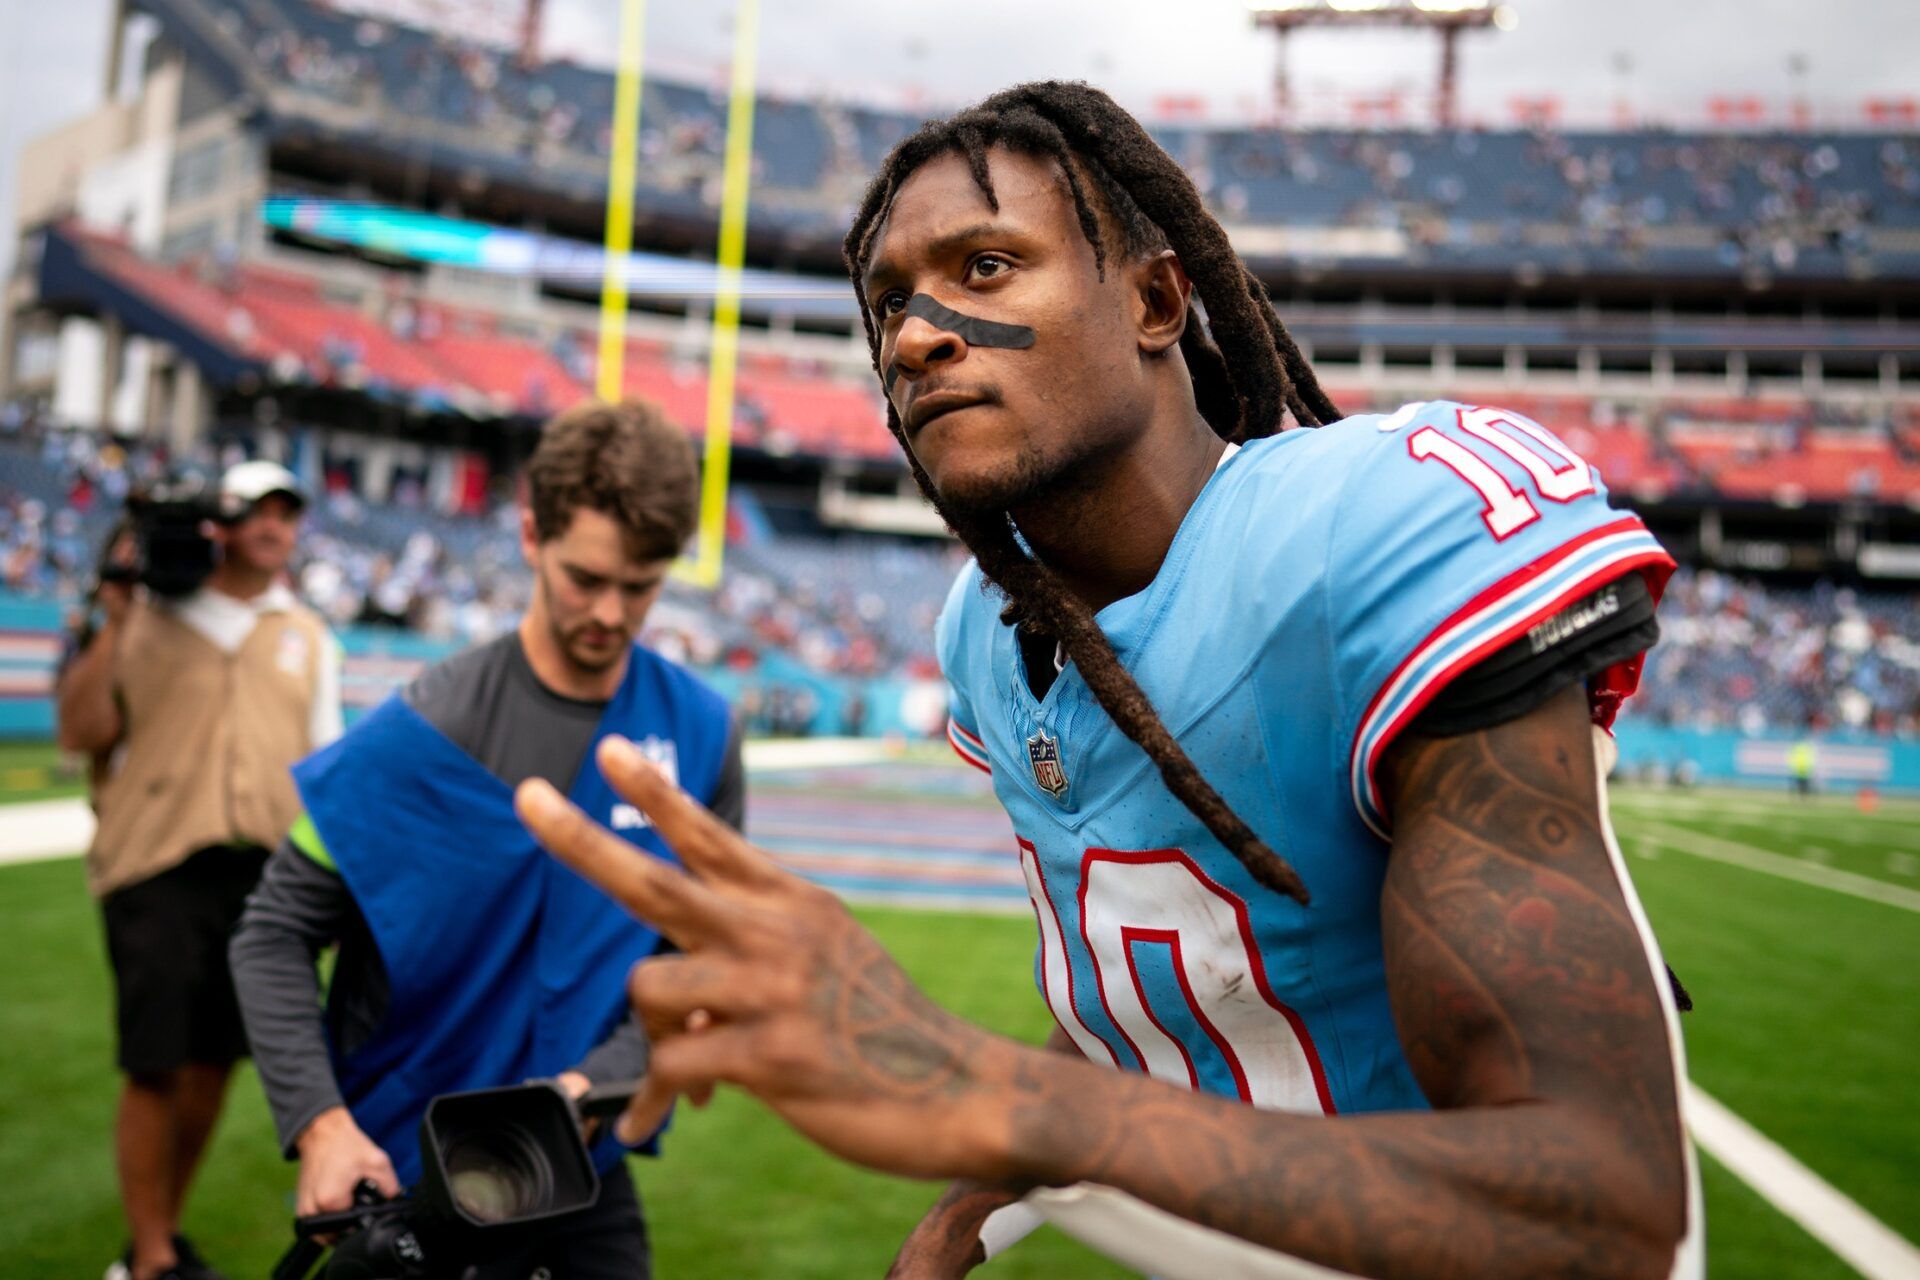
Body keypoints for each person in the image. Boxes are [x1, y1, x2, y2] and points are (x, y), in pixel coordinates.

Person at [518, 82, 1700, 1280]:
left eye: (985, 268)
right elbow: (1150, 1004)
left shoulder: (1368, 531)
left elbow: (1601, 1211)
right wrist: (957, 1218)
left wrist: (993, 1092)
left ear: (1153, 298)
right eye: (889, 302)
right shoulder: (987, 631)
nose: (916, 333)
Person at [230, 400, 744, 1280]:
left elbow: (705, 956)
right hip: (403, 1178)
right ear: (529, 531)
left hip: (580, 1174)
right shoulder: (421, 730)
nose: (613, 614)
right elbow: (272, 933)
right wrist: (320, 1126)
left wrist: (599, 1082)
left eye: (643, 584)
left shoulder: (700, 732)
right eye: (586, 578)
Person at [57, 460, 343, 1280]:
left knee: (215, 1060)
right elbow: (79, 730)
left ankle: (161, 1233)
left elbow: (324, 762)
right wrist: (116, 611)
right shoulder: (146, 613)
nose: (273, 526)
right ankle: (150, 1258)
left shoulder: (307, 632)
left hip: (262, 872)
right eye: (255, 509)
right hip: (156, 861)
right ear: (219, 521)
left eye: (287, 512)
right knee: (155, 1061)